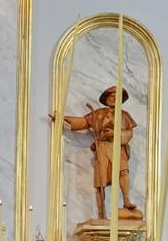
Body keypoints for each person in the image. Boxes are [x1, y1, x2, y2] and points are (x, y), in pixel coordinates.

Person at [58, 86, 139, 220]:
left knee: (123, 171)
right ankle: (102, 214)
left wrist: (115, 134)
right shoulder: (98, 114)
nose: (114, 99)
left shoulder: (124, 115)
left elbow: (129, 133)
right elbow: (83, 122)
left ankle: (126, 200)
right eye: (111, 97)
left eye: (117, 97)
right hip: (102, 147)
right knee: (100, 182)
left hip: (117, 147)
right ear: (106, 99)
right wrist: (63, 118)